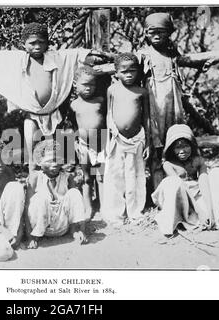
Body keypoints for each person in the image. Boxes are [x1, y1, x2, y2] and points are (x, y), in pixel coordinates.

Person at [0, 22, 110, 170]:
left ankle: (58, 182)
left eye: (41, 42)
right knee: (32, 150)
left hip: (54, 113)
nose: (37, 46)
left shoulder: (56, 57)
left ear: (47, 43)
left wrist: (94, 56)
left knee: (56, 154)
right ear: (23, 44)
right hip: (32, 115)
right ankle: (33, 178)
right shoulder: (18, 60)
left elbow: (75, 55)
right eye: (32, 43)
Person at [152, 124, 219, 235]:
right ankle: (177, 221)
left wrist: (210, 210)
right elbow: (181, 187)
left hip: (197, 196)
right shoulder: (168, 165)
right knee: (173, 182)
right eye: (177, 147)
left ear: (192, 145)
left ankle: (214, 216)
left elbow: (204, 184)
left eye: (185, 146)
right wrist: (199, 212)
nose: (182, 151)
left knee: (218, 172)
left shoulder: (198, 160)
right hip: (180, 200)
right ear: (171, 148)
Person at [137, 12, 186, 189]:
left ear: (169, 33)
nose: (157, 36)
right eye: (152, 32)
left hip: (173, 104)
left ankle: (177, 188)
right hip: (153, 105)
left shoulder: (173, 54)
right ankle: (158, 192)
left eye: (162, 32)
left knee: (174, 141)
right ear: (146, 34)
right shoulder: (144, 54)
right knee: (156, 147)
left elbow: (186, 65)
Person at [102, 53, 151, 226]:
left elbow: (146, 118)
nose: (129, 74)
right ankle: (116, 214)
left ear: (138, 71)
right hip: (117, 139)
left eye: (133, 70)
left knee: (134, 177)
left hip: (137, 140)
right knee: (116, 176)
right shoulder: (112, 90)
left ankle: (135, 212)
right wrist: (110, 139)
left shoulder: (142, 92)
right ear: (116, 73)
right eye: (124, 71)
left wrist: (148, 143)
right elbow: (109, 114)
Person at [25, 140, 89, 249]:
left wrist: (82, 229)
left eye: (56, 160)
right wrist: (29, 236)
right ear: (40, 163)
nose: (54, 164)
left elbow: (76, 204)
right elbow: (27, 208)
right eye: (49, 161)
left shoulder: (67, 177)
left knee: (74, 193)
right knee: (41, 197)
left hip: (61, 225)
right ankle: (35, 236)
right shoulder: (35, 177)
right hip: (41, 227)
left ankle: (76, 231)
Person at [70, 66, 106, 218]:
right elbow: (72, 126)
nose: (89, 88)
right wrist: (75, 143)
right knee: (86, 177)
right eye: (85, 84)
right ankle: (88, 208)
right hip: (83, 145)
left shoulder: (100, 101)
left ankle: (104, 206)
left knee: (100, 175)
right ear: (75, 84)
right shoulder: (73, 105)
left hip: (101, 143)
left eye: (92, 84)